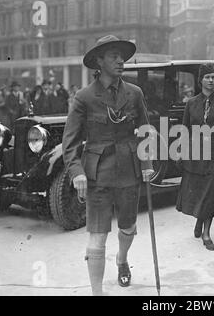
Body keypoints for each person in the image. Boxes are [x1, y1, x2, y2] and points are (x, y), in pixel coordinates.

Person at [62, 35, 154, 296]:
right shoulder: (84, 97)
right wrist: (76, 172)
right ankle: (97, 293)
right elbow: (70, 142)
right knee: (97, 236)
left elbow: (145, 130)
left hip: (129, 171)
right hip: (97, 175)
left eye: (122, 56)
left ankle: (122, 259)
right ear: (98, 62)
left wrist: (146, 162)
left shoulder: (135, 93)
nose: (120, 61)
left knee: (128, 227)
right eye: (113, 56)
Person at [176, 63, 214, 251]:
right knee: (199, 190)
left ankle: (206, 232)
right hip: (195, 154)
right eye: (207, 77)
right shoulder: (191, 103)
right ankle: (199, 221)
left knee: (212, 192)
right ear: (200, 80)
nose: (211, 80)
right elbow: (185, 129)